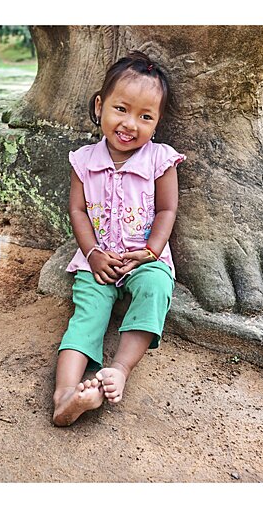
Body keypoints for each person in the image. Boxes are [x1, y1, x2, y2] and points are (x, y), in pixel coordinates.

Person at [52, 51, 186, 426]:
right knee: (87, 314)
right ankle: (65, 395)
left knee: (155, 289)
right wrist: (92, 253)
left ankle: (120, 369)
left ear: (157, 122)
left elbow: (167, 210)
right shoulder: (83, 161)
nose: (130, 124)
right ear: (100, 107)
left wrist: (151, 252)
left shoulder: (160, 160)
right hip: (97, 259)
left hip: (144, 259)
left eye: (145, 116)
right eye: (121, 109)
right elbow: (78, 210)